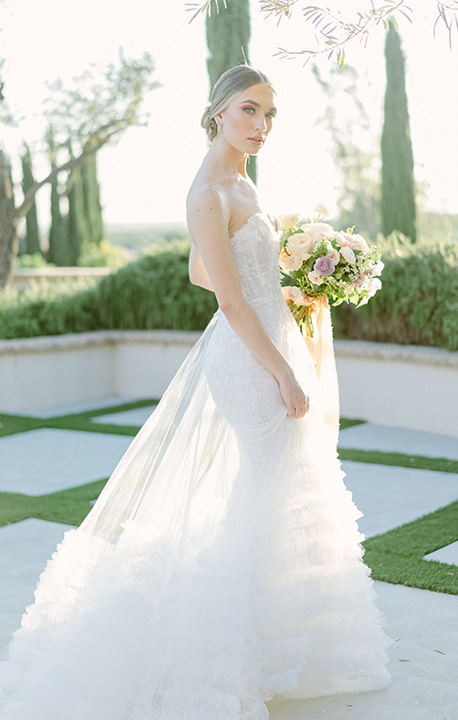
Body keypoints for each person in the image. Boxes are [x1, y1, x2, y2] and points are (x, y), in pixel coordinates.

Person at [0, 65, 390, 720]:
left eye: (269, 114)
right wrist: (285, 369)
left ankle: (265, 640)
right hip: (249, 362)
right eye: (249, 110)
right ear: (216, 113)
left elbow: (200, 271)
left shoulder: (243, 181)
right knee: (265, 492)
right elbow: (229, 300)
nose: (261, 125)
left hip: (269, 343)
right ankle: (212, 645)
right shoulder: (209, 190)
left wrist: (280, 291)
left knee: (272, 492)